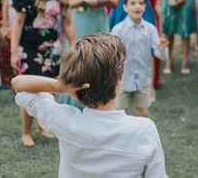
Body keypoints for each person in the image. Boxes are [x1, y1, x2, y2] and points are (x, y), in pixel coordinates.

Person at [12, 34, 168, 177]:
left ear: (74, 90)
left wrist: (58, 87)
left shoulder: (63, 120)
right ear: (119, 81)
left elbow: (18, 84)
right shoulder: (145, 130)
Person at [11, 0, 75, 147]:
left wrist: (74, 45)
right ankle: (26, 132)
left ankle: (42, 126)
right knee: (30, 91)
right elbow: (19, 23)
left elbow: (67, 23)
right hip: (29, 49)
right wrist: (13, 51)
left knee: (49, 89)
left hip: (51, 49)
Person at [111, 0, 169, 117]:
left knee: (143, 112)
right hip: (121, 80)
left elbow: (161, 55)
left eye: (141, 3)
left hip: (143, 79)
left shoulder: (150, 29)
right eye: (133, 3)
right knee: (118, 113)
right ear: (125, 7)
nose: (137, 6)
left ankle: (144, 135)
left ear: (145, 7)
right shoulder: (118, 29)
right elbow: (111, 54)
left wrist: (162, 48)